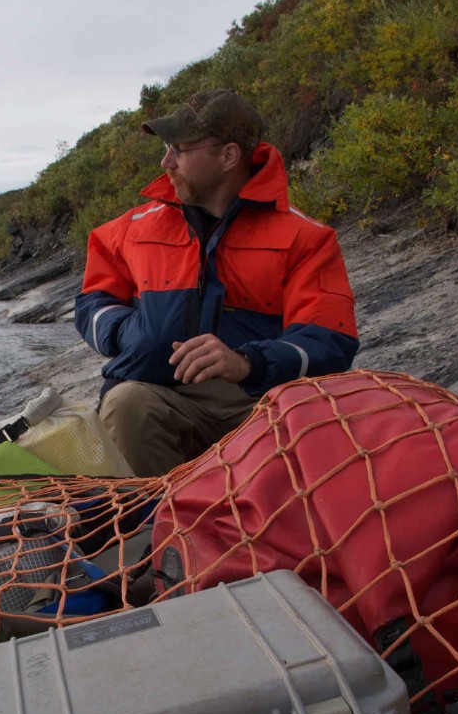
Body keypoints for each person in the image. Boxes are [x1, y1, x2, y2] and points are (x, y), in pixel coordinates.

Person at [74, 89, 358, 477]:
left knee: (318, 431)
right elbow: (93, 300)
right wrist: (125, 333)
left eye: (179, 149)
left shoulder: (306, 240)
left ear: (228, 156)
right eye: (166, 148)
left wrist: (247, 362)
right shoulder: (132, 230)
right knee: (126, 404)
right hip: (158, 398)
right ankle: (160, 528)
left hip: (254, 406)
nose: (165, 161)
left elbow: (329, 343)